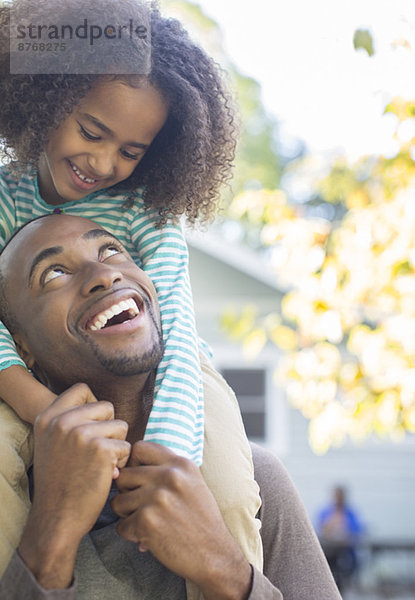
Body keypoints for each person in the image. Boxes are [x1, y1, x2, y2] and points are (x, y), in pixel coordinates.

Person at [0, 214, 342, 599]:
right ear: (19, 348)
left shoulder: (254, 483)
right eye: (53, 274)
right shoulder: (10, 499)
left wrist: (224, 568)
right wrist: (52, 531)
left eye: (112, 250)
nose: (104, 275)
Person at [0, 0, 238, 466]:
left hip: (174, 379)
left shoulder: (144, 209)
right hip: (37, 375)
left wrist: (166, 460)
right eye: (91, 133)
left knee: (226, 491)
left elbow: (175, 327)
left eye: (130, 151)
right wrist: (37, 404)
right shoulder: (5, 198)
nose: (104, 164)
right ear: (42, 99)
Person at [316, 485, 364, 592]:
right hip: (329, 550)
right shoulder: (326, 512)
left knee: (345, 569)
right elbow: (319, 529)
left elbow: (357, 531)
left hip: (346, 551)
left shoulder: (350, 513)